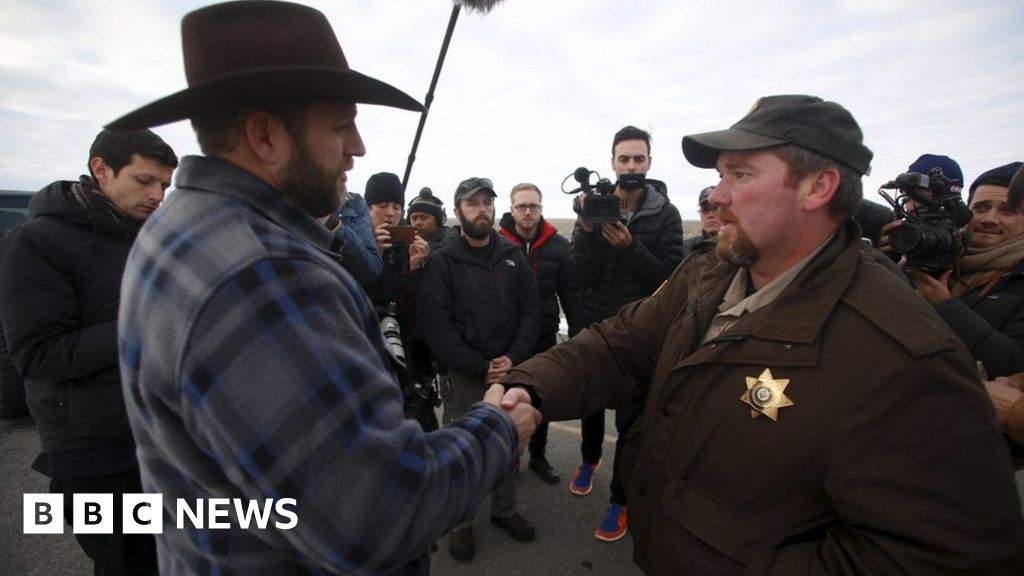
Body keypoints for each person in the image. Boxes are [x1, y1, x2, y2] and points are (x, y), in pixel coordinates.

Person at [501, 94, 1024, 574]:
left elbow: (938, 556)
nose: (718, 196)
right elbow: (620, 344)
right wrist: (532, 387)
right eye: (721, 176)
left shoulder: (902, 353)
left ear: (818, 188)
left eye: (741, 175)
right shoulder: (709, 272)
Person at [106, 3, 539, 574]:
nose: (357, 148)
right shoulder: (260, 276)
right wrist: (497, 429)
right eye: (341, 125)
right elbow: (377, 513)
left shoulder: (178, 223)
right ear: (264, 135)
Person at [0, 128, 178, 575]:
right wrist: (147, 321)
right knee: (128, 565)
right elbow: (40, 356)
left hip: (160, 437)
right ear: (101, 169)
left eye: (165, 185)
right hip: (93, 451)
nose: (157, 196)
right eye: (144, 181)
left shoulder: (146, 239)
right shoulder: (35, 242)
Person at [571, 125, 684, 543]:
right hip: (599, 327)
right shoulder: (596, 208)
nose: (631, 166)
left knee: (632, 424)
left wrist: (630, 247)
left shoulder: (666, 214)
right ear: (613, 163)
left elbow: (670, 279)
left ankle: (619, 499)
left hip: (642, 333)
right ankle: (588, 460)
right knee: (589, 406)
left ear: (650, 163)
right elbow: (578, 275)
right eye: (624, 159)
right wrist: (585, 232)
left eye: (639, 159)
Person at [418, 177, 540, 560]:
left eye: (487, 202)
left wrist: (514, 358)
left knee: (508, 444)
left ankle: (504, 510)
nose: (482, 209)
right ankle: (462, 522)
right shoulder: (443, 260)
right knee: (463, 450)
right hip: (465, 373)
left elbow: (530, 310)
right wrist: (479, 365)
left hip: (508, 370)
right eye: (472, 204)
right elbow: (436, 325)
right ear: (458, 212)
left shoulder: (511, 254)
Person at [498, 182, 585, 484]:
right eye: (521, 206)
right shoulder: (497, 244)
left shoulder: (558, 246)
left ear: (541, 208)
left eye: (533, 206)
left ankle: (538, 455)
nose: (527, 212)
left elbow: (570, 295)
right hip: (507, 338)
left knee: (541, 399)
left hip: (545, 336)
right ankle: (509, 454)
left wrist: (577, 335)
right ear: (512, 209)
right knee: (507, 399)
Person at [910, 161, 1024, 378]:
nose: (990, 219)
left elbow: (1017, 365)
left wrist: (946, 306)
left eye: (1007, 210)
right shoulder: (933, 256)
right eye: (981, 208)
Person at [363, 171, 436, 429]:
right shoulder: (353, 248)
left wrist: (415, 268)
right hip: (368, 360)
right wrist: (373, 256)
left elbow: (411, 310)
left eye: (397, 206)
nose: (391, 213)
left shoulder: (402, 250)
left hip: (403, 356)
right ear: (367, 208)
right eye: (382, 206)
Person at [682, 185, 720, 257]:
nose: (710, 215)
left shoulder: (739, 248)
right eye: (705, 210)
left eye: (716, 209)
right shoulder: (687, 249)